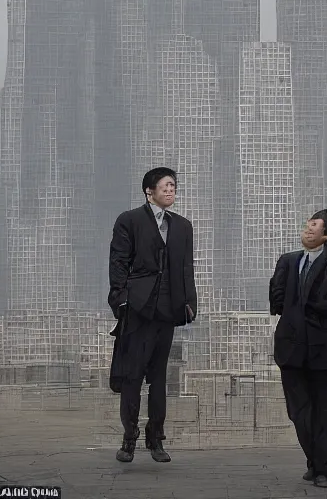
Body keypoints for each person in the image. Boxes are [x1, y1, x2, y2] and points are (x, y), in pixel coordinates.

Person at [108, 167, 197, 464]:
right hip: (138, 308)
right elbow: (118, 262)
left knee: (159, 378)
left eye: (174, 186)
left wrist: (189, 303)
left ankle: (155, 437)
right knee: (133, 376)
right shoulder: (130, 220)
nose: (171, 190)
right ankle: (129, 438)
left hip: (167, 311)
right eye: (165, 186)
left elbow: (186, 268)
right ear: (149, 191)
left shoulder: (183, 226)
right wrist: (121, 300)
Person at [269, 209, 327, 488]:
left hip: (322, 349)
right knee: (299, 412)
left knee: (325, 412)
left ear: (326, 235)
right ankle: (315, 461)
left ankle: (325, 470)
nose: (307, 229)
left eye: (314, 225)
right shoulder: (289, 261)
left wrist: (304, 304)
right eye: (307, 224)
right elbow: (277, 299)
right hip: (291, 348)